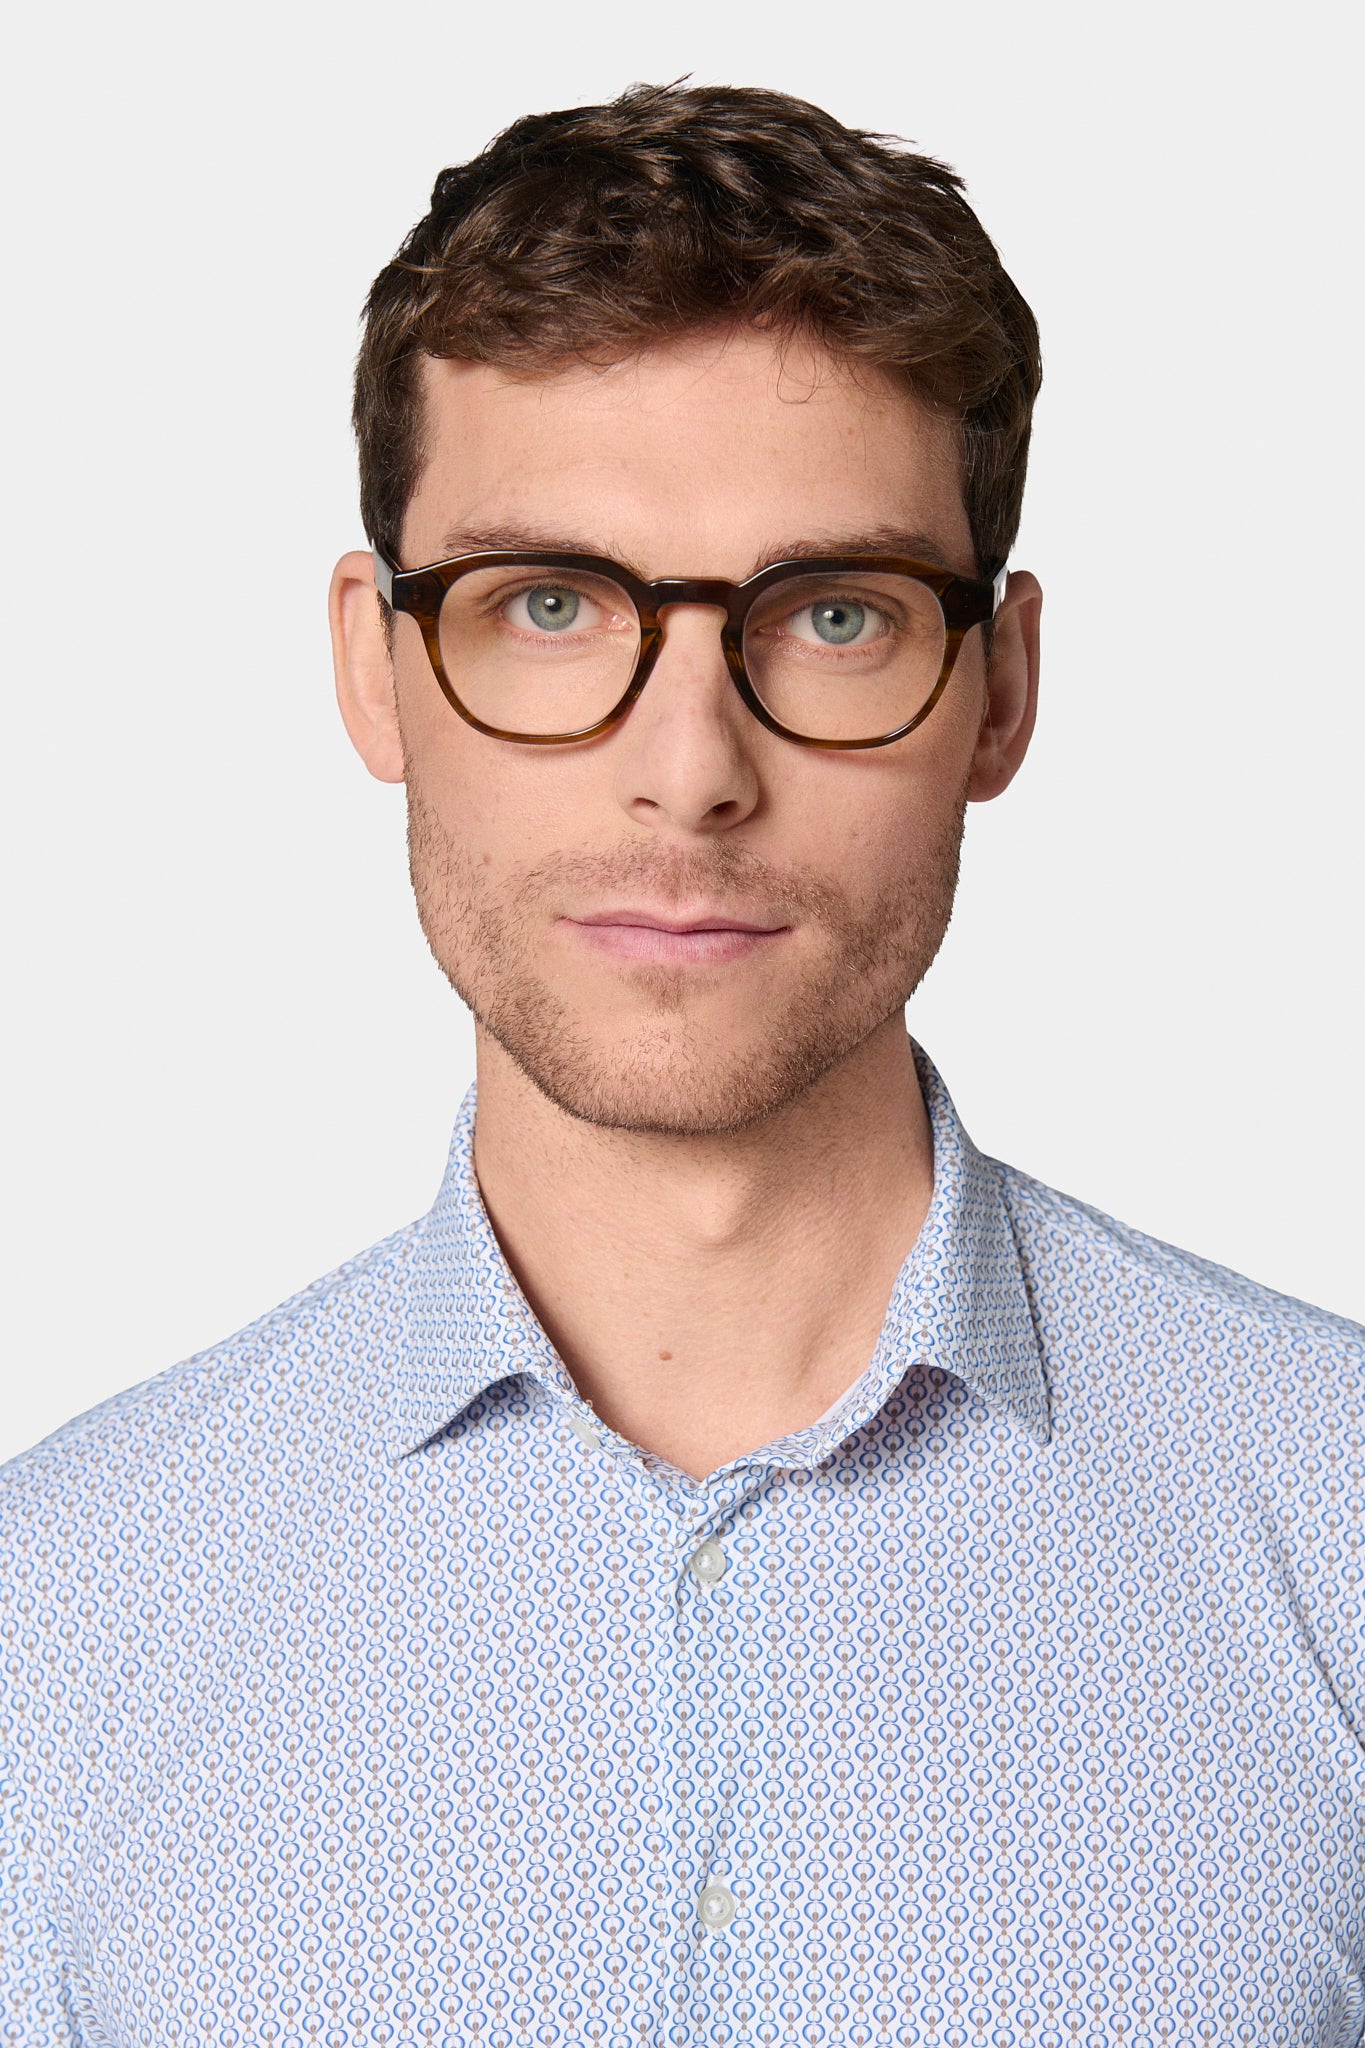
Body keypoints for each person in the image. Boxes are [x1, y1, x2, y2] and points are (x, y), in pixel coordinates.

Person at [3, 80, 1362, 2048]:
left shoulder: (1336, 1522)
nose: (691, 770)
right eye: (547, 607)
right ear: (373, 668)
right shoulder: (55, 1619)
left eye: (833, 615)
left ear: (999, 688)